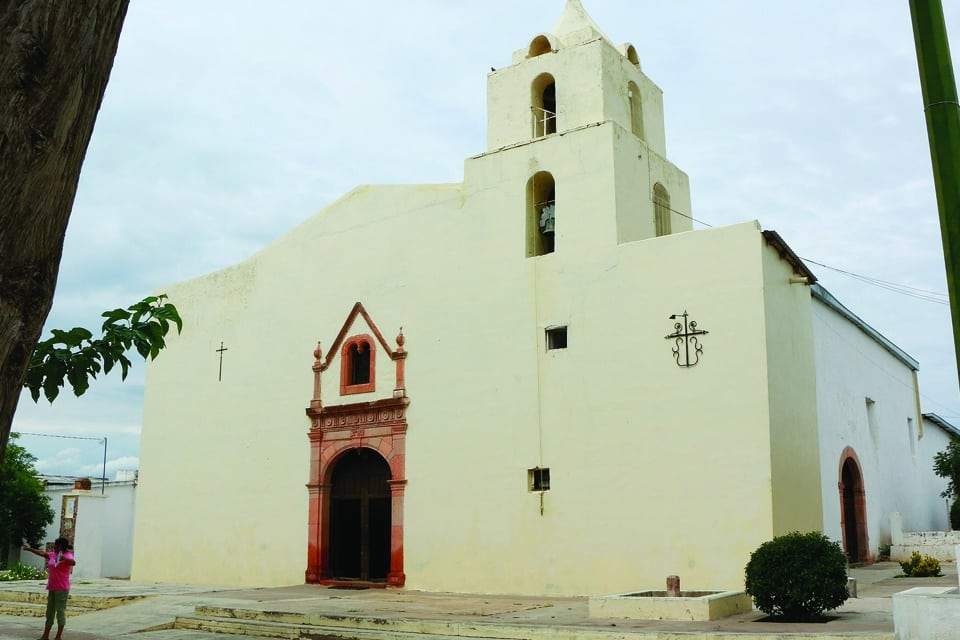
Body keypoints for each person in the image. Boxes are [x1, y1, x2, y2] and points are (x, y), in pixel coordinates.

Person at [22, 538, 75, 640]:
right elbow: (42, 553)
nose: (54, 546)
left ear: (61, 546)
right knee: (49, 612)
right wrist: (29, 549)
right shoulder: (53, 555)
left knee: (60, 612)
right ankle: (45, 636)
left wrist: (63, 558)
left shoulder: (67, 555)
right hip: (52, 587)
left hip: (62, 589)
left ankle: (58, 637)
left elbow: (73, 562)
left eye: (56, 545)